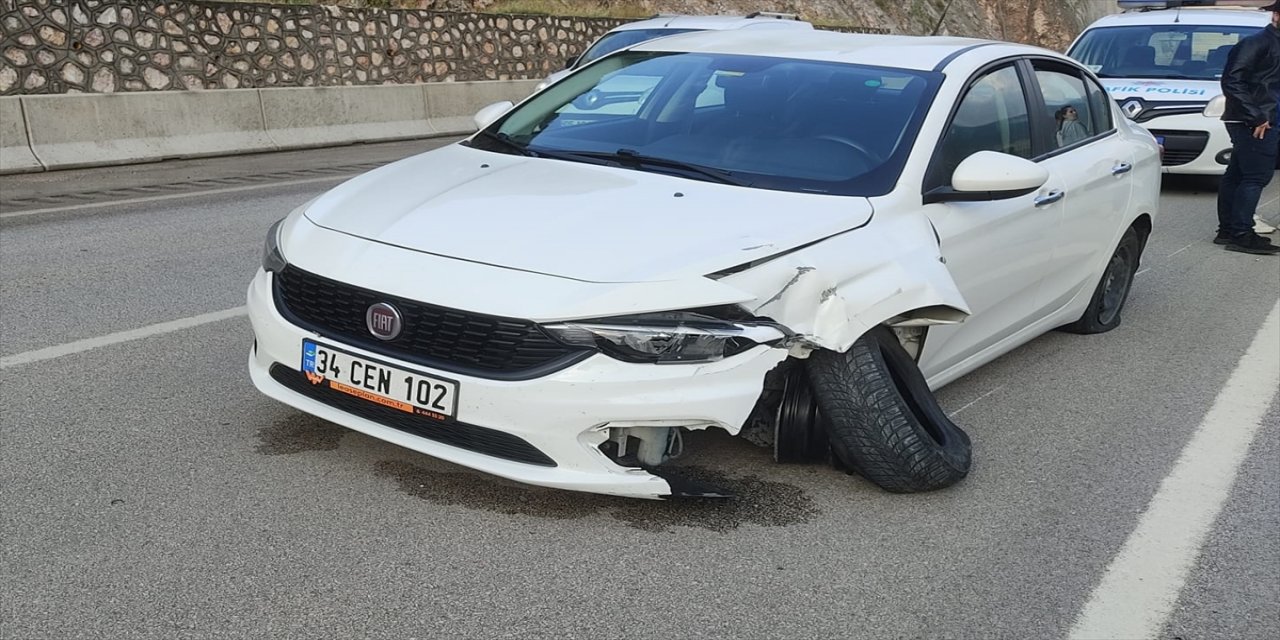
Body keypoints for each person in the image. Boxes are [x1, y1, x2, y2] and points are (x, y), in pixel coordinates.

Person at [1215, 1, 1280, 256]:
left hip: (1260, 117)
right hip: (1254, 121)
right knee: (1255, 176)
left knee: (1238, 174)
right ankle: (1242, 234)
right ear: (1276, 15)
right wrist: (1256, 117)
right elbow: (1232, 80)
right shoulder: (1256, 43)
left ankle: (1228, 230)